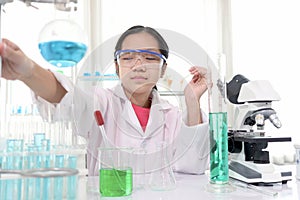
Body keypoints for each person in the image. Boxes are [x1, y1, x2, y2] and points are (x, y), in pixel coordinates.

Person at [0, 25, 209, 176]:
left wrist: (192, 101)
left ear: (163, 69)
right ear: (117, 67)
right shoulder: (101, 101)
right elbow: (67, 99)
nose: (138, 65)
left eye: (150, 57)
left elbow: (192, 166)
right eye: (127, 57)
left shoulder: (172, 115)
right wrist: (27, 71)